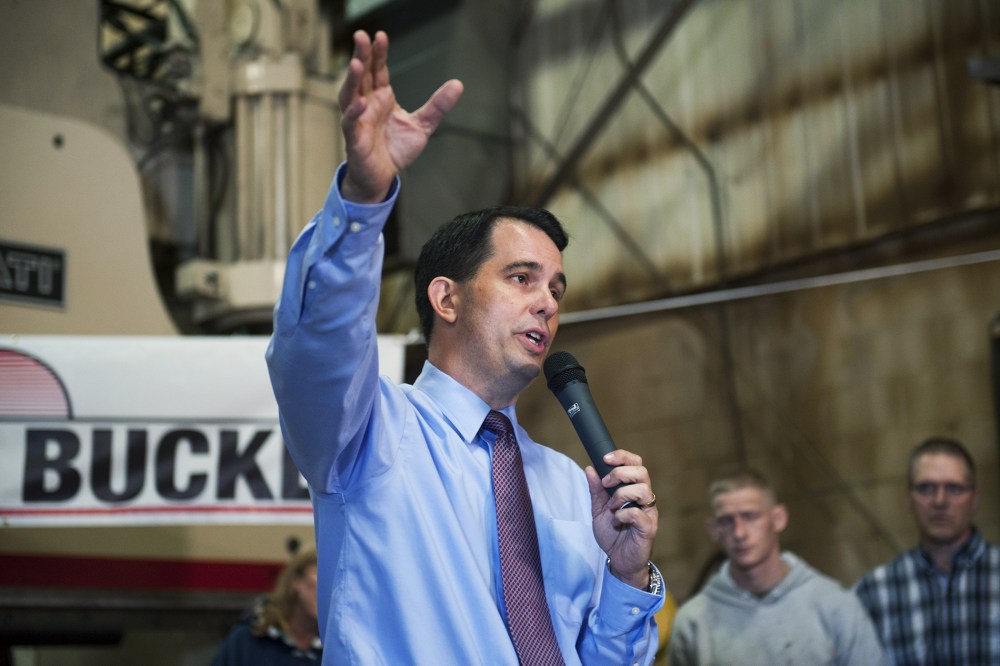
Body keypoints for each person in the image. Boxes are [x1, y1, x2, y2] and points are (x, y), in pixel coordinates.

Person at [265, 30, 664, 665]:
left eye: (557, 288)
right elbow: (316, 343)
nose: (548, 303)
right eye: (521, 278)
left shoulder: (568, 486)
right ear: (446, 300)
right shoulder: (369, 437)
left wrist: (626, 578)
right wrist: (364, 200)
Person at [666, 469, 884, 666]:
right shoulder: (693, 623)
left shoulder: (835, 606)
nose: (740, 533)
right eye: (726, 521)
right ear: (713, 530)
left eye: (750, 516)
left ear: (778, 518)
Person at [854, 436, 1000, 665]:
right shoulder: (875, 593)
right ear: (908, 500)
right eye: (926, 488)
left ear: (975, 499)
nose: (939, 500)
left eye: (954, 488)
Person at [212, 546, 322, 664]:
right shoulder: (245, 643)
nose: (331, 592)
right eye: (321, 577)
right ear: (296, 580)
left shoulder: (338, 648)